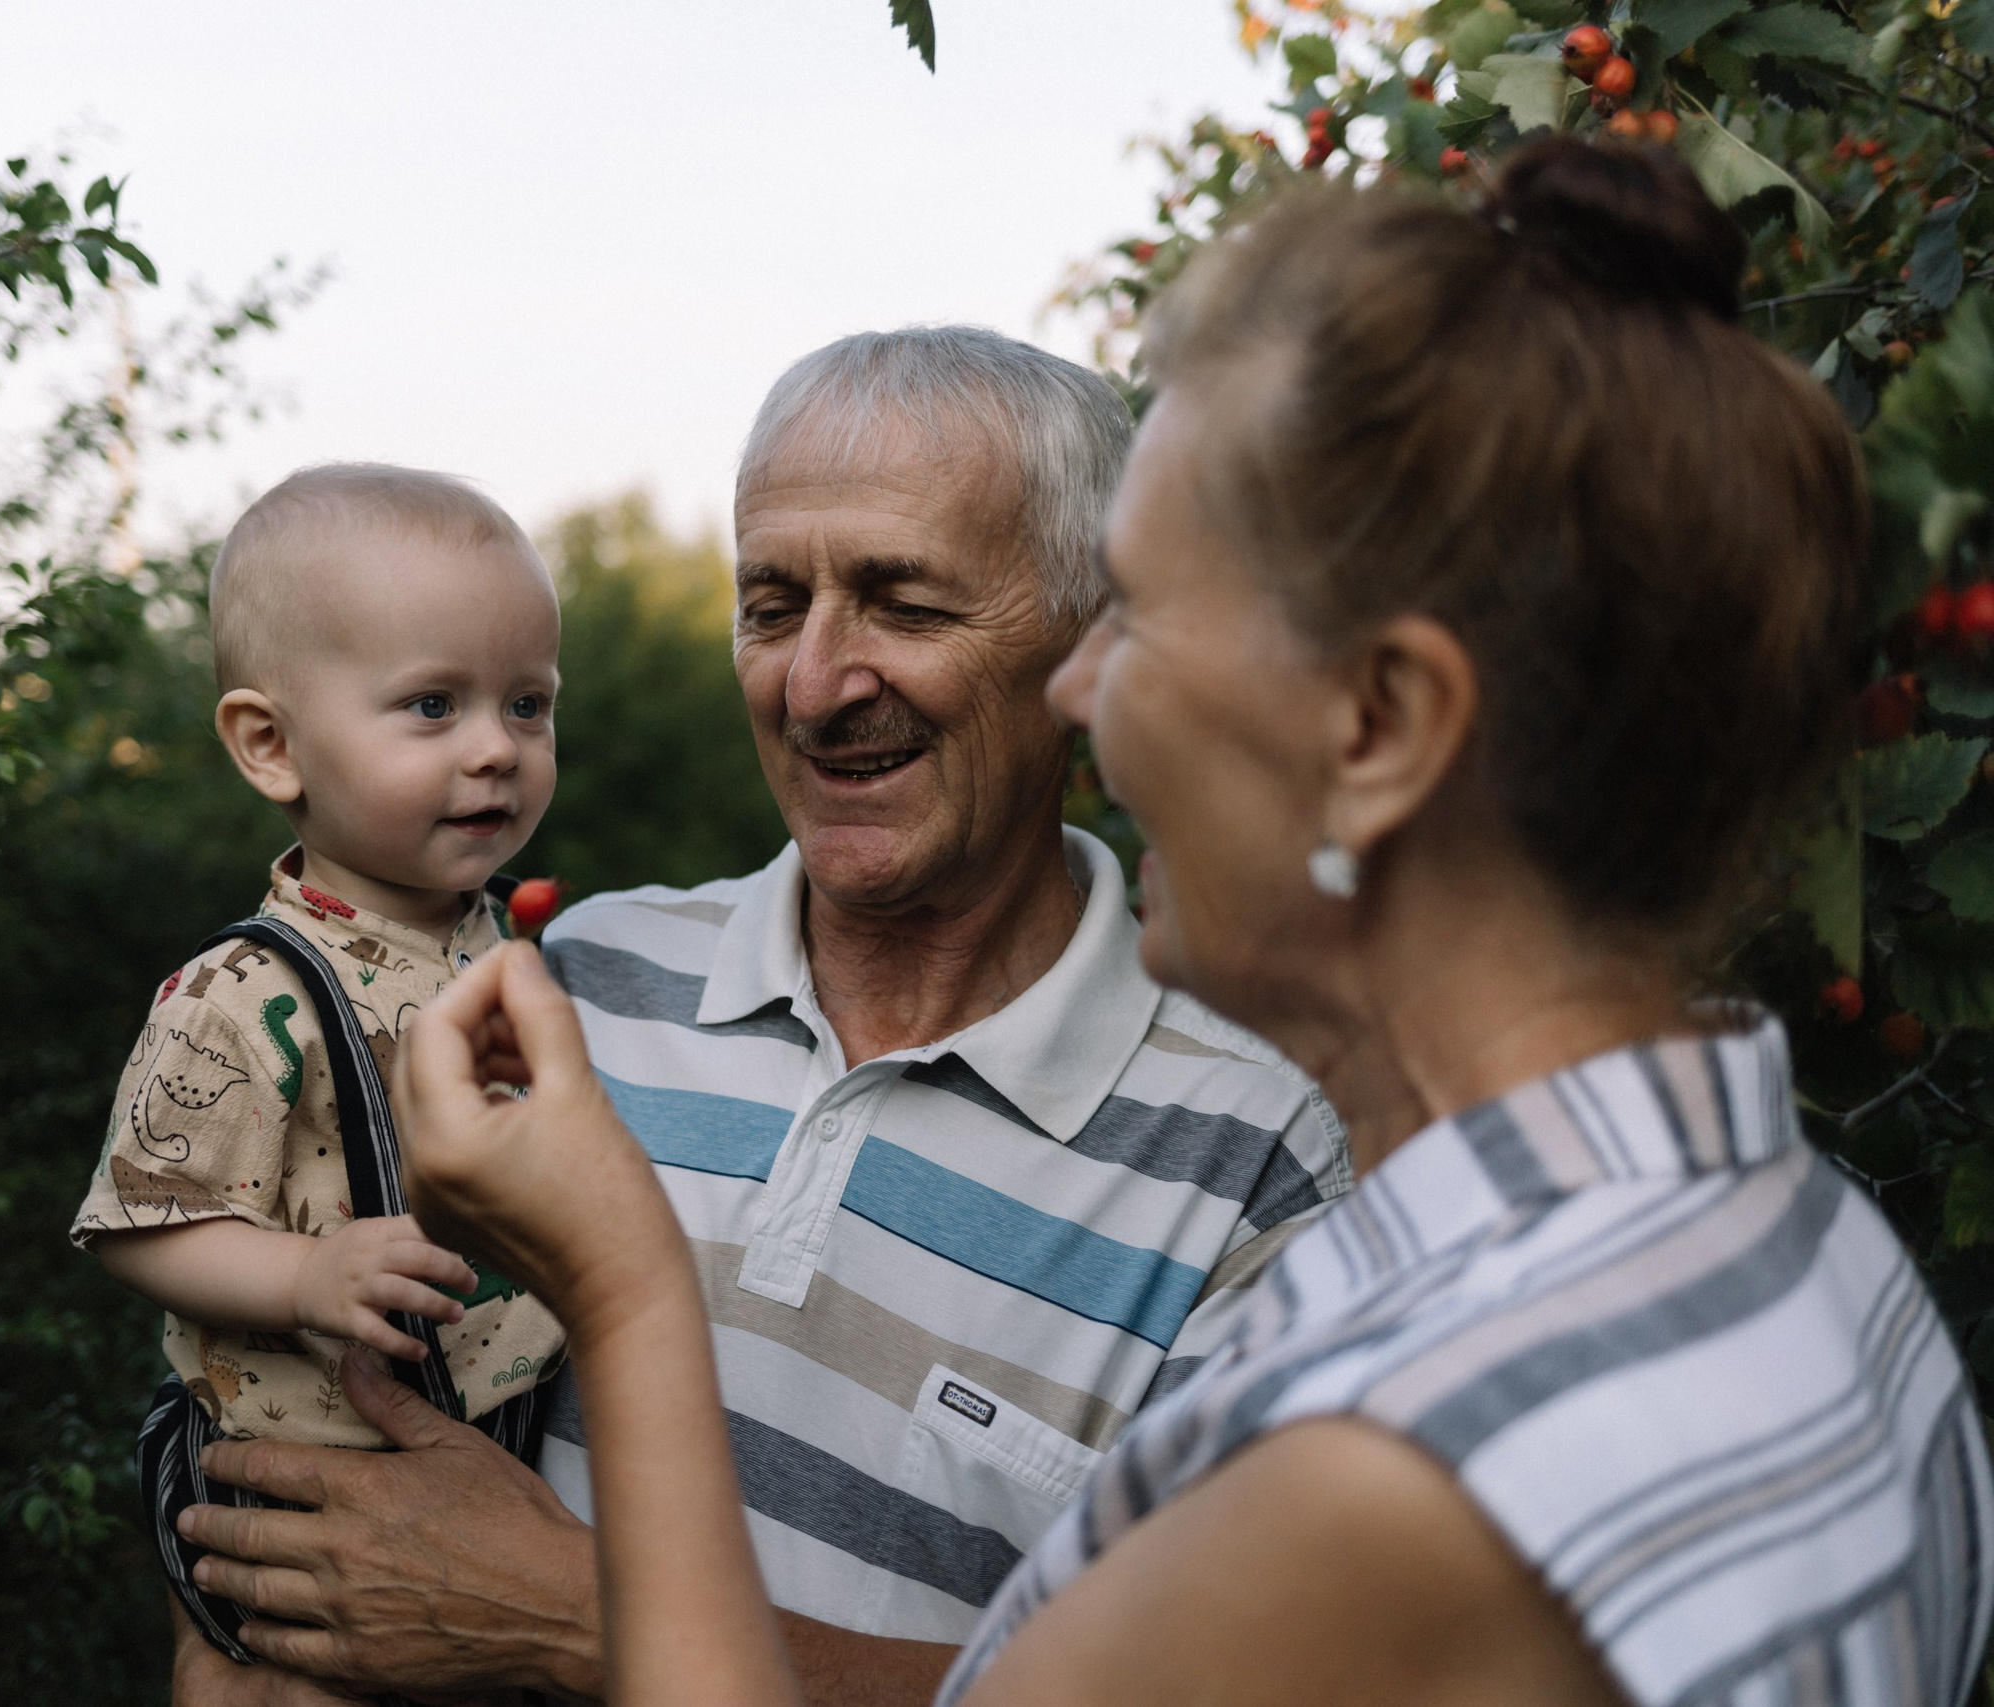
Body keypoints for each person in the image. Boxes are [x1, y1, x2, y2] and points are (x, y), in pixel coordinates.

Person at [385, 139, 1994, 1707]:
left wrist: (632, 1294)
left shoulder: (1380, 1474)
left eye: (1142, 612)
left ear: (1377, 727)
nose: (1086, 689)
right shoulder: (1824, 1265)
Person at [169, 329, 1349, 1705]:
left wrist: (578, 1619)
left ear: (1092, 640)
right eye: (773, 604)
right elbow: (274, 1445)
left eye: (904, 603)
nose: (815, 682)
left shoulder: (1257, 1155)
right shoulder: (565, 991)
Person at [68, 462, 567, 1669]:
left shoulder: (496, 938)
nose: (497, 749)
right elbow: (140, 1225)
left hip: (509, 1440)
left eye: (529, 705)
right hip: (308, 1495)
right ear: (270, 744)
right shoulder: (245, 998)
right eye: (433, 707)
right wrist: (304, 1279)